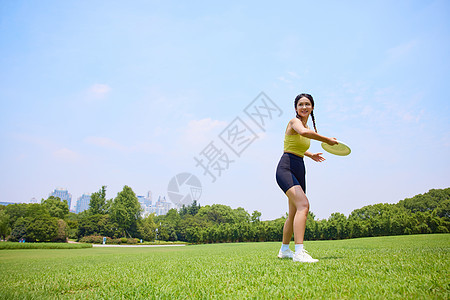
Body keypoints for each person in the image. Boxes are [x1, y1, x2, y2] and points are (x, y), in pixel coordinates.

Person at [275, 93, 338, 263]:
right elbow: (302, 133)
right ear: (296, 108)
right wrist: (327, 140)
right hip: (286, 167)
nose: (304, 107)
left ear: (312, 107)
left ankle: (284, 250)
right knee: (304, 204)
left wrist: (310, 155)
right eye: (301, 104)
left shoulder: (306, 125)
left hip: (299, 167)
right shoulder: (295, 122)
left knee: (294, 211)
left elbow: (297, 145)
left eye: (307, 104)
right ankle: (299, 252)